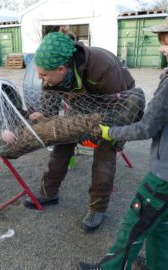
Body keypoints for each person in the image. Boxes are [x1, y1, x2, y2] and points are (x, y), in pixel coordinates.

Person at [77, 17, 168, 270]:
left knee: (134, 223)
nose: (162, 49)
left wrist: (109, 133)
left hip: (164, 176)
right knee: (162, 226)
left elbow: (146, 127)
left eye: (166, 43)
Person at [23, 31, 136, 233]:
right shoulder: (51, 76)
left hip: (115, 104)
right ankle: (49, 193)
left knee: (104, 154)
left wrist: (116, 139)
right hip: (82, 103)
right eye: (39, 74)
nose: (41, 78)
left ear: (62, 68)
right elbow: (49, 106)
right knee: (61, 144)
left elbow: (121, 109)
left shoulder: (103, 67)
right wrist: (44, 120)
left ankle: (97, 208)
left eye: (44, 75)